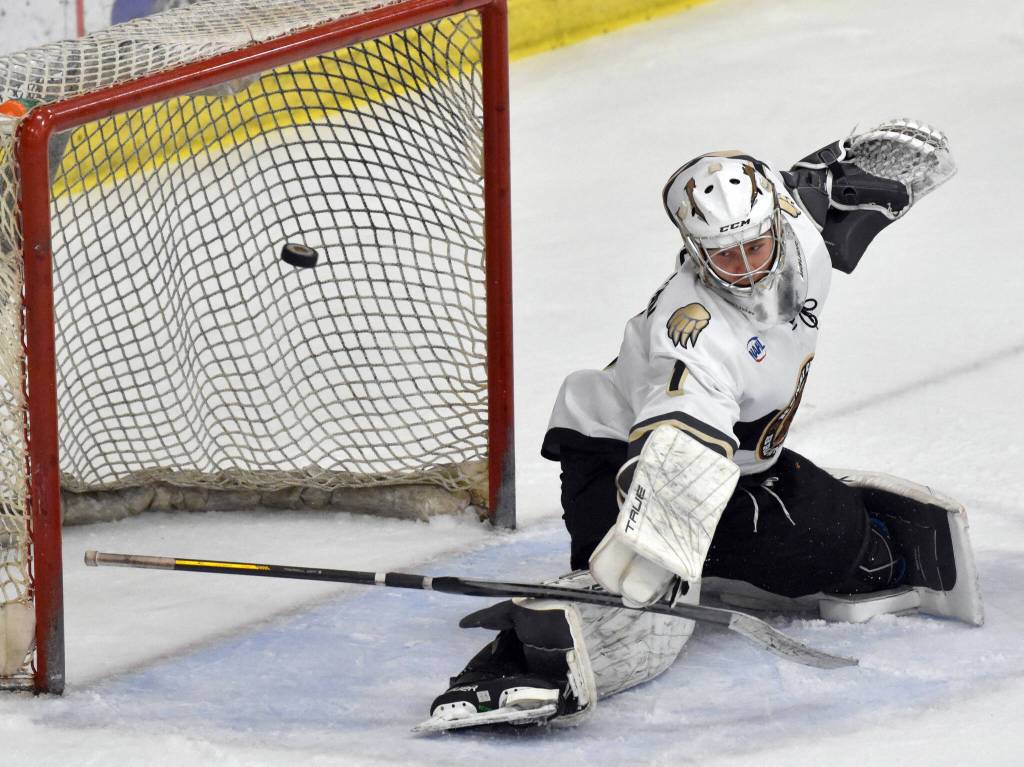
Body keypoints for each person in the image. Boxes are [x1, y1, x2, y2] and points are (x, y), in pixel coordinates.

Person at [416, 119, 983, 733]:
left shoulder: (794, 226)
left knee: (842, 546)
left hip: (739, 464)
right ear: (694, 248)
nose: (744, 268)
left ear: (775, 222)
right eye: (723, 255)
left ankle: (721, 560)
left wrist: (889, 173)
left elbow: (821, 189)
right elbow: (681, 437)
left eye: (754, 247)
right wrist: (659, 538)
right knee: (636, 599)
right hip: (623, 463)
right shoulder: (691, 332)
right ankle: (513, 667)